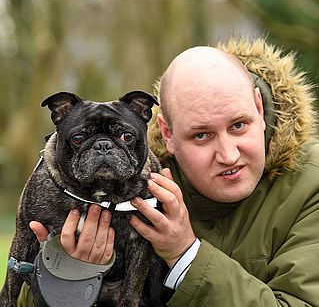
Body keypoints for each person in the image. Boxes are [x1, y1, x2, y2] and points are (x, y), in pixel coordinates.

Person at [18, 37, 319, 306]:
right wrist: (66, 280)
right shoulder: (134, 182)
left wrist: (185, 254)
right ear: (167, 133)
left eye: (238, 125)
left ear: (259, 107)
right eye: (201, 135)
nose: (228, 155)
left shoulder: (311, 182)